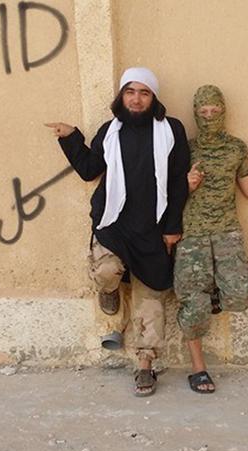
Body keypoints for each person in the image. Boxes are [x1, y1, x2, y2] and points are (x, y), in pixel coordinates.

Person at [45, 67, 190, 397]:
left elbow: (178, 180)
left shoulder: (171, 130)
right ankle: (108, 290)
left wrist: (172, 229)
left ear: (153, 98)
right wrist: (70, 137)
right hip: (114, 225)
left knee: (150, 299)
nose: (136, 99)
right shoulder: (109, 131)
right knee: (107, 271)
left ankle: (144, 366)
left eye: (144, 93)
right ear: (121, 97)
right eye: (130, 92)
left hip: (153, 230)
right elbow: (89, 170)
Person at [174, 85, 248, 394]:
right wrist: (188, 185)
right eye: (203, 112)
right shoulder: (184, 149)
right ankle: (198, 369)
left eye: (215, 111)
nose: (209, 116)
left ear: (224, 111)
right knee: (193, 305)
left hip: (227, 231)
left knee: (241, 293)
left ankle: (206, 299)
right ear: (195, 113)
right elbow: (169, 196)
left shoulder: (236, 148)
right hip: (192, 234)